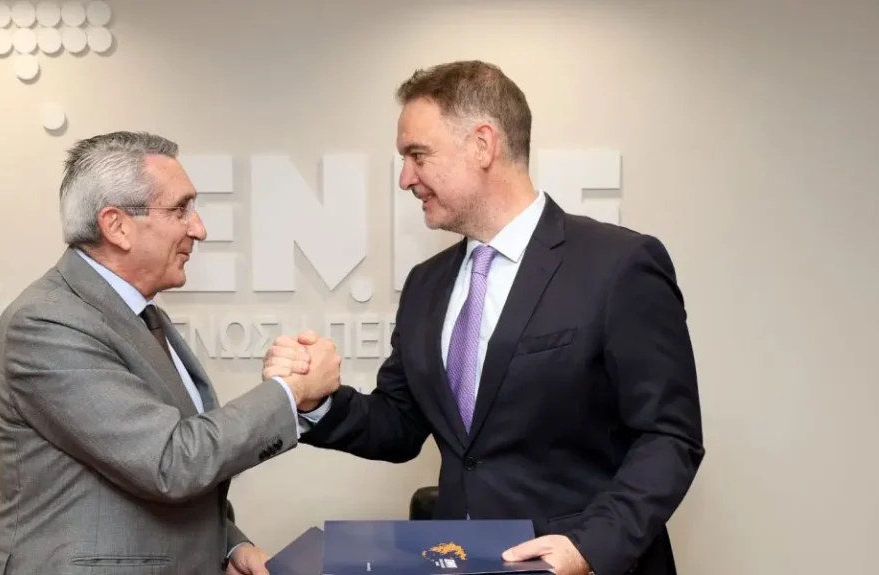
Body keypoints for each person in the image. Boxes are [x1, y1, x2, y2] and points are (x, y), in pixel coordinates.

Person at [263, 61, 705, 575]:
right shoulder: (426, 284)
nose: (405, 179)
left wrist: (587, 547)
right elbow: (399, 423)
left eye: (417, 155)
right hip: (462, 561)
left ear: (482, 144)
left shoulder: (618, 265)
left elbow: (669, 437)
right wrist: (317, 400)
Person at [0, 131, 341, 575]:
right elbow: (170, 462)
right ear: (116, 225)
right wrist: (291, 392)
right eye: (179, 209)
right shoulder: (46, 324)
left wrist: (229, 547)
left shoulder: (139, 314)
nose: (199, 229)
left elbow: (137, 474)